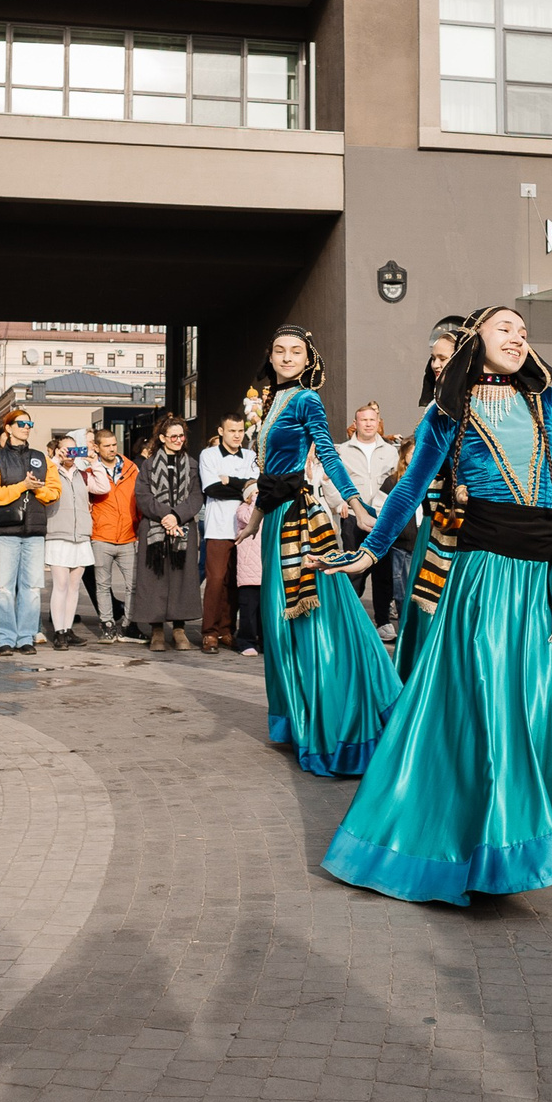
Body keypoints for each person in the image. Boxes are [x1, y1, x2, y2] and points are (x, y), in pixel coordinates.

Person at [318, 307, 552, 905]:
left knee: (543, 708)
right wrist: (370, 552)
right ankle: (480, 848)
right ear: (476, 343)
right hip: (484, 578)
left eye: (521, 330)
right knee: (488, 708)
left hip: (545, 579)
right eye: (503, 329)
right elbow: (410, 488)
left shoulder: (549, 403)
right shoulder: (450, 413)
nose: (517, 337)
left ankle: (520, 836)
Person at [246, 326, 393, 777]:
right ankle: (299, 720)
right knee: (279, 626)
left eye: (296, 351)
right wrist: (253, 519)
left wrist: (356, 505)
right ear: (270, 357)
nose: (287, 357)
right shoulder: (267, 404)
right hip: (274, 519)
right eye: (279, 350)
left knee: (311, 620)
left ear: (309, 359)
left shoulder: (307, 399)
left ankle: (337, 728)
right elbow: (268, 473)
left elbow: (328, 456)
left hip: (298, 521)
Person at [392, 318, 470, 676]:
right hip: (437, 522)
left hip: (470, 527)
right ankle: (422, 685)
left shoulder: (480, 403)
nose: (436, 365)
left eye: (443, 358)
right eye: (433, 358)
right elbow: (414, 479)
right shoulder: (434, 408)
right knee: (426, 605)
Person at [0, 408, 58, 655]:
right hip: (6, 532)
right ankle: (4, 637)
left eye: (30, 423)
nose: (26, 427)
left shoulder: (41, 458)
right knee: (4, 587)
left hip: (34, 531)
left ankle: (26, 636)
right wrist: (21, 486)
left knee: (32, 587)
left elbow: (55, 491)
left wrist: (37, 490)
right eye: (21, 423)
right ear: (8, 428)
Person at [131, 416, 202, 649]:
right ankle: (157, 630)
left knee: (183, 577)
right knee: (155, 578)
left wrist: (177, 516)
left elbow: (195, 496)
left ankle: (179, 629)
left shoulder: (191, 464)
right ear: (162, 438)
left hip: (183, 528)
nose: (179, 440)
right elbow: (142, 496)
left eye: (182, 436)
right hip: (155, 528)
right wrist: (165, 515)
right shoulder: (148, 465)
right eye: (174, 436)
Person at [331, 402, 402, 626]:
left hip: (382, 519)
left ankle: (383, 623)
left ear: (378, 423)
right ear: (356, 423)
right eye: (364, 420)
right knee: (354, 571)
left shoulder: (391, 451)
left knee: (383, 572)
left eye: (372, 420)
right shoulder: (343, 450)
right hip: (353, 516)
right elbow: (330, 479)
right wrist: (338, 503)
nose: (369, 424)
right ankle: (350, 620)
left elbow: (399, 480)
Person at [197, 414, 257, 652]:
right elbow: (212, 489)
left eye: (241, 431)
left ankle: (226, 630)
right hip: (218, 528)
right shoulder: (209, 455)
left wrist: (229, 481)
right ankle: (209, 632)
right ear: (221, 431)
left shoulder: (251, 455)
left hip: (246, 529)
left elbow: (256, 488)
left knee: (236, 582)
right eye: (232, 431)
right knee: (216, 580)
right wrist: (243, 486)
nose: (237, 435)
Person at [37, 431, 96, 648]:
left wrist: (94, 462)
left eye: (74, 449)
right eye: (66, 449)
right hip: (58, 534)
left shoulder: (82, 474)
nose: (71, 454)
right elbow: (41, 480)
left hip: (80, 535)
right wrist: (55, 460)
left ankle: (68, 628)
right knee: (60, 585)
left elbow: (103, 487)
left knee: (74, 587)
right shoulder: (51, 470)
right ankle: (59, 632)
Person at [84, 427, 139, 642]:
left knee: (133, 584)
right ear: (96, 448)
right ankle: (107, 624)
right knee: (102, 585)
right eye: (106, 446)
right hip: (101, 536)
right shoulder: (90, 473)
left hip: (128, 535)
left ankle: (129, 624)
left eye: (114, 445)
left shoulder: (131, 468)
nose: (112, 449)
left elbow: (139, 499)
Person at [232, 483, 265, 655]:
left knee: (265, 610)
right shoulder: (242, 509)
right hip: (249, 571)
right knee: (249, 609)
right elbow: (251, 518)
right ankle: (246, 641)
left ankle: (265, 640)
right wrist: (256, 500)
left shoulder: (269, 511)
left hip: (265, 569)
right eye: (255, 492)